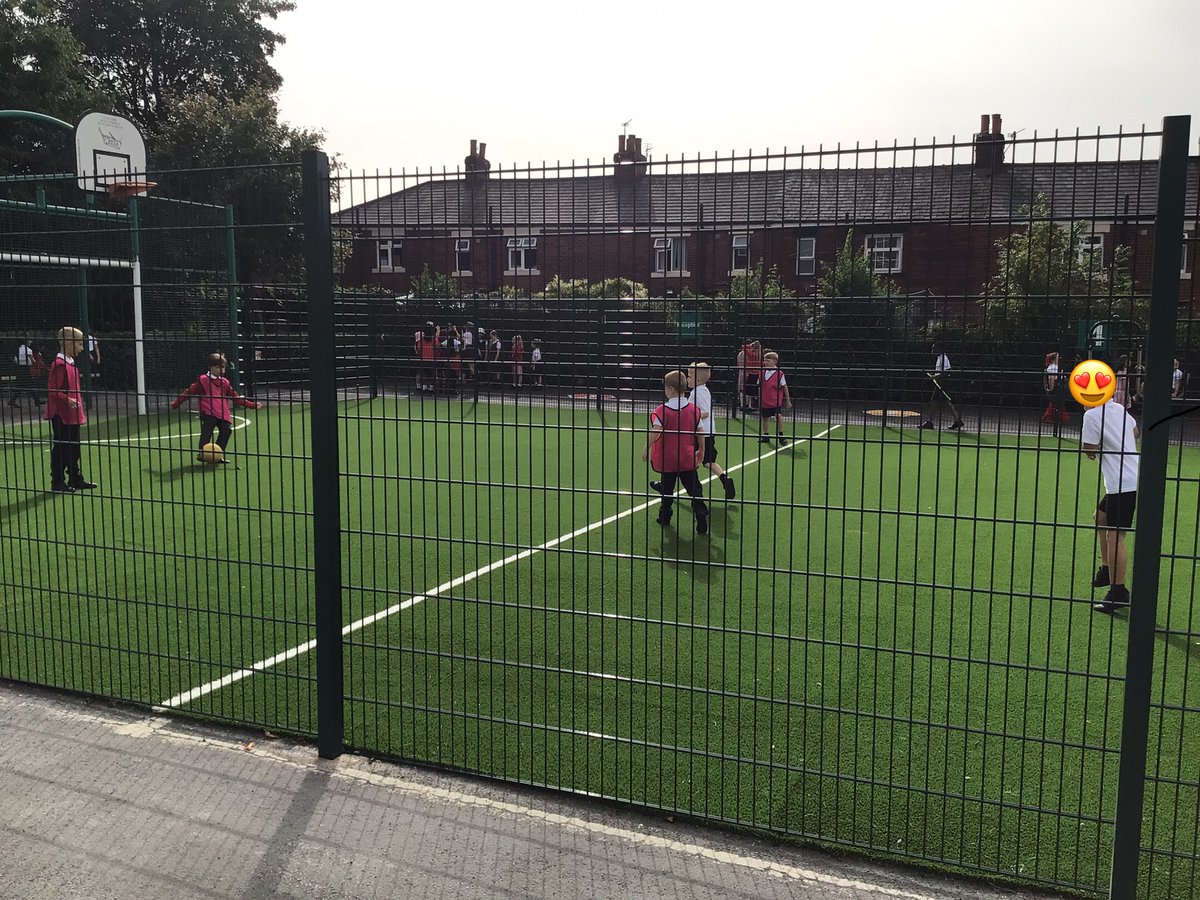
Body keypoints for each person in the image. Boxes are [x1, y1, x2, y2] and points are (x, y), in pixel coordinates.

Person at [1083, 399, 1140, 613]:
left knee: (1115, 536)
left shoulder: (1091, 415)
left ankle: (1118, 592)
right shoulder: (1118, 409)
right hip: (1126, 479)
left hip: (1121, 483)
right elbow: (1135, 432)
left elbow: (1089, 449)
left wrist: (1098, 447)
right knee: (1100, 517)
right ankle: (1107, 570)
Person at [643, 370, 709, 534]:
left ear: (671, 389)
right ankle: (700, 510)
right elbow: (700, 431)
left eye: (665, 387)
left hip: (668, 459)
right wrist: (701, 448)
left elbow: (656, 430)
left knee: (667, 490)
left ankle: (665, 516)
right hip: (687, 457)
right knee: (694, 488)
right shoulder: (693, 410)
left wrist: (646, 447)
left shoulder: (662, 410)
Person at [171, 352, 263, 462]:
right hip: (208, 412)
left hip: (222, 413)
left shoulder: (225, 382)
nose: (221, 370)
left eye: (223, 367)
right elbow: (188, 392)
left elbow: (236, 398)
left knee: (226, 431)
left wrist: (252, 405)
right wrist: (176, 403)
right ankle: (202, 453)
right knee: (207, 432)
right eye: (218, 367)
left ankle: (218, 454)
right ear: (210, 367)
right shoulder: (203, 380)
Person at [44, 326, 94, 493]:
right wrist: (68, 400)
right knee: (62, 447)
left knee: (74, 447)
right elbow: (52, 390)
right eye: (79, 343)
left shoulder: (70, 363)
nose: (82, 347)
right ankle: (57, 482)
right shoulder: (59, 365)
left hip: (72, 413)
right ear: (68, 343)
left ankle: (75, 478)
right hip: (61, 414)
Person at [687, 362, 736, 499]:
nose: (687, 379)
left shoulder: (698, 393)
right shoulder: (703, 390)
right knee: (708, 461)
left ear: (697, 379)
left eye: (689, 376)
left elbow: (705, 412)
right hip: (708, 431)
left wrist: (688, 416)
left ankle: (671, 485)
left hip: (701, 432)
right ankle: (725, 479)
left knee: (685, 458)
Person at [919, 343, 965, 431]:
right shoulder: (940, 358)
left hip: (943, 383)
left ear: (939, 349)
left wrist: (935, 376)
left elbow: (947, 371)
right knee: (946, 402)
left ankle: (930, 422)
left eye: (934, 349)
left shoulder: (943, 358)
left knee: (934, 401)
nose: (932, 351)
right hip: (940, 382)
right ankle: (957, 420)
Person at [758, 351, 792, 445]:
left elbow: (784, 387)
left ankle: (781, 436)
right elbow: (760, 386)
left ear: (775, 361)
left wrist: (788, 400)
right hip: (765, 400)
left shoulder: (779, 374)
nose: (765, 362)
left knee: (778, 416)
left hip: (775, 401)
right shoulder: (762, 372)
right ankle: (766, 435)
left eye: (768, 360)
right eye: (765, 360)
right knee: (765, 417)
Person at [1041, 352, 1070, 428]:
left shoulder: (1056, 367)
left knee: (1057, 403)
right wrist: (1051, 388)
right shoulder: (1052, 368)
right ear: (1053, 360)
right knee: (1056, 402)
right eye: (1057, 358)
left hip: (1060, 386)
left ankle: (1056, 417)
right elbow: (1051, 378)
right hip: (1057, 387)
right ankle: (1051, 417)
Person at [9, 338, 37, 407]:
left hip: (19, 368)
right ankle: (37, 401)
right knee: (30, 385)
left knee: (21, 385)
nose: (30, 341)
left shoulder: (18, 349)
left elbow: (14, 359)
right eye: (29, 340)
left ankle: (37, 400)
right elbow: (33, 360)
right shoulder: (28, 350)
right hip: (26, 369)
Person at [739, 340, 762, 414]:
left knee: (747, 390)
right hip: (758, 373)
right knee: (754, 390)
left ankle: (745, 405)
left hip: (751, 373)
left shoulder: (751, 354)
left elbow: (743, 347)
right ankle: (751, 405)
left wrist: (751, 345)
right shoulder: (760, 354)